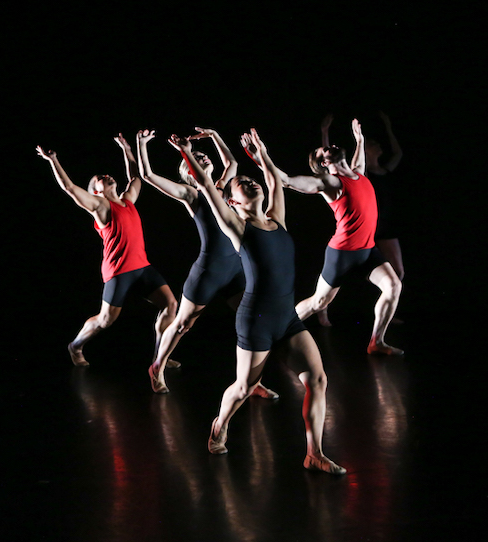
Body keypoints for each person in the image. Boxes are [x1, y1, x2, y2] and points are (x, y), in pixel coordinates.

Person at [169, 129, 344, 474]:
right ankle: (220, 424)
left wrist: (262, 154)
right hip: (256, 320)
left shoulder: (276, 219)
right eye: (241, 183)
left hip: (287, 318)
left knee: (318, 380)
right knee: (244, 387)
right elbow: (205, 186)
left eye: (253, 181)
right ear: (232, 201)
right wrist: (189, 154)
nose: (251, 183)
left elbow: (276, 183)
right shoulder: (236, 226)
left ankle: (314, 453)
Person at [136, 127, 277, 398]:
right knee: (182, 324)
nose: (202, 158)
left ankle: (252, 382)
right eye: (195, 158)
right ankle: (158, 366)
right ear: (188, 172)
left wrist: (213, 135)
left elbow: (232, 163)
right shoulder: (192, 194)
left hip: (235, 269)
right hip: (209, 270)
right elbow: (148, 175)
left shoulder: (224, 189)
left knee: (253, 324)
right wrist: (142, 145)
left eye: (203, 155)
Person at [36, 135, 178, 370]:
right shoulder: (101, 207)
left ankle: (159, 359)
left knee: (171, 304)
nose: (106, 176)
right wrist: (53, 160)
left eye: (106, 175)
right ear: (96, 192)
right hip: (119, 270)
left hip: (142, 266)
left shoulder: (128, 200)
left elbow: (135, 178)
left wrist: (127, 149)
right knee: (105, 320)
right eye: (99, 179)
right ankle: (76, 346)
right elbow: (70, 188)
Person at [273, 119, 402, 355]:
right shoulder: (331, 183)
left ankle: (376, 342)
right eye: (325, 150)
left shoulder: (358, 174)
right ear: (324, 163)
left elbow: (359, 159)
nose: (330, 145)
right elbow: (288, 182)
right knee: (319, 303)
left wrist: (360, 139)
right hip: (342, 255)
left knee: (394, 286)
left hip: (367, 251)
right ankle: (280, 330)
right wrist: (262, 158)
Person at [316, 112, 405, 327]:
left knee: (397, 273)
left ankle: (386, 311)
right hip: (362, 228)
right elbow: (328, 165)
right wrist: (325, 134)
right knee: (334, 283)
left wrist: (387, 125)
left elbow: (398, 153)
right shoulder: (359, 172)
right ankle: (322, 309)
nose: (379, 147)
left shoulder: (384, 170)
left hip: (384, 226)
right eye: (373, 144)